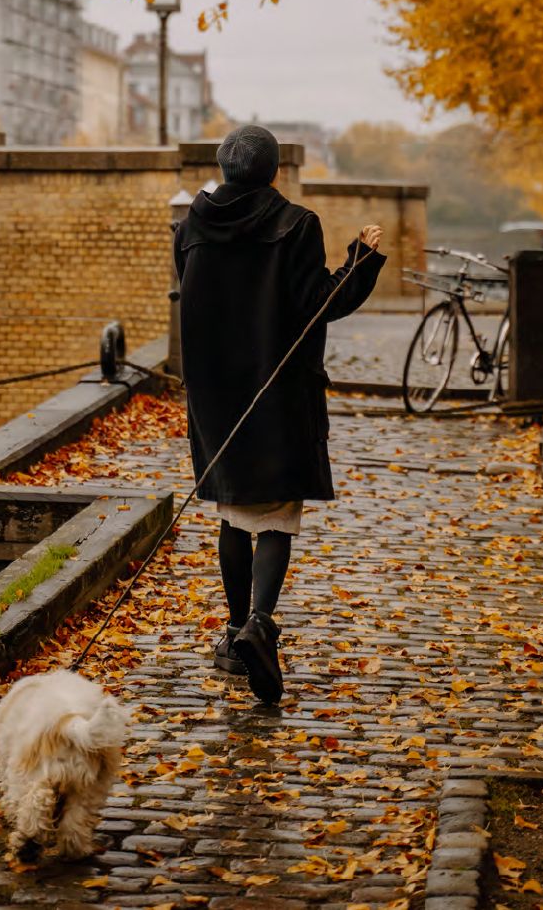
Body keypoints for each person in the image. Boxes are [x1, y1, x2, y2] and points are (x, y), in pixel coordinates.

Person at [174, 124, 386, 704]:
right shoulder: (295, 224)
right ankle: (259, 625)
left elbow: (191, 296)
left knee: (232, 507)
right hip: (277, 389)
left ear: (224, 168)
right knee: (275, 515)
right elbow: (321, 303)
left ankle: (232, 632)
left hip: (216, 394)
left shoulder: (190, 226)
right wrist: (361, 259)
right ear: (273, 173)